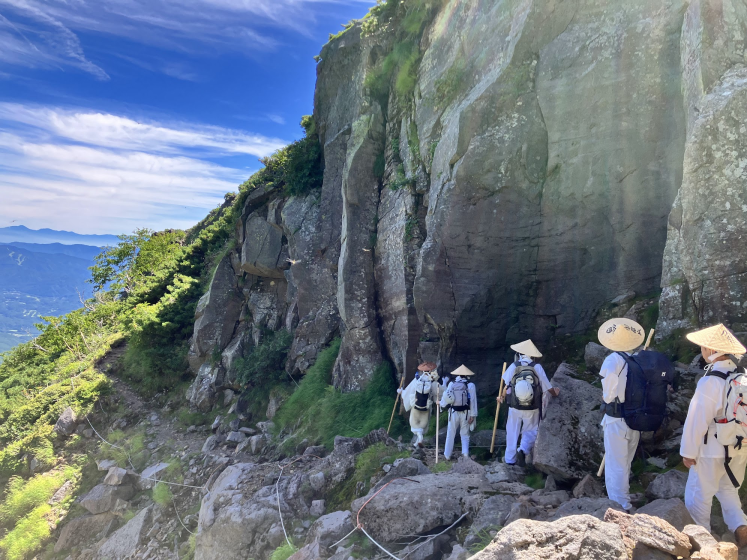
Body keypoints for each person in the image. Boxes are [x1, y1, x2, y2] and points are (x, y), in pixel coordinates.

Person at [680, 324, 747, 546]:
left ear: (710, 350)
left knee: (698, 496)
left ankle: (703, 544)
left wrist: (688, 452)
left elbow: (696, 421)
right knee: (728, 489)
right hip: (739, 446)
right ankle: (740, 525)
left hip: (711, 450)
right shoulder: (742, 376)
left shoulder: (711, 380)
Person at [597, 317, 645, 512]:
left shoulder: (613, 360)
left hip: (616, 419)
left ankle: (620, 507)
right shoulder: (638, 359)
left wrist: (607, 398)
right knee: (625, 463)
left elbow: (608, 393)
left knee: (615, 464)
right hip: (636, 419)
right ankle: (624, 501)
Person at [498, 340, 559, 467]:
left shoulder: (514, 366)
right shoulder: (537, 367)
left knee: (512, 431)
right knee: (531, 430)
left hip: (514, 406)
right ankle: (523, 450)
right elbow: (547, 387)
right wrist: (555, 393)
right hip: (532, 407)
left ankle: (510, 460)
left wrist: (501, 397)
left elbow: (505, 384)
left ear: (520, 354)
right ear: (533, 355)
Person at [400, 362, 442, 448]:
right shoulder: (433, 382)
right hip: (426, 407)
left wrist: (401, 392)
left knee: (415, 424)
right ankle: (419, 439)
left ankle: (418, 439)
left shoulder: (417, 380)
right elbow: (439, 393)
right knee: (423, 424)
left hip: (416, 405)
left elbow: (409, 392)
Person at [440, 365, 478, 459]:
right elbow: (472, 401)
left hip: (453, 412)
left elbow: (446, 398)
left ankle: (447, 455)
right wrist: (473, 415)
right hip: (465, 412)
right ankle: (465, 454)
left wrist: (440, 404)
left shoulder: (451, 383)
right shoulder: (470, 385)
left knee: (450, 433)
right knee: (465, 434)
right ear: (467, 375)